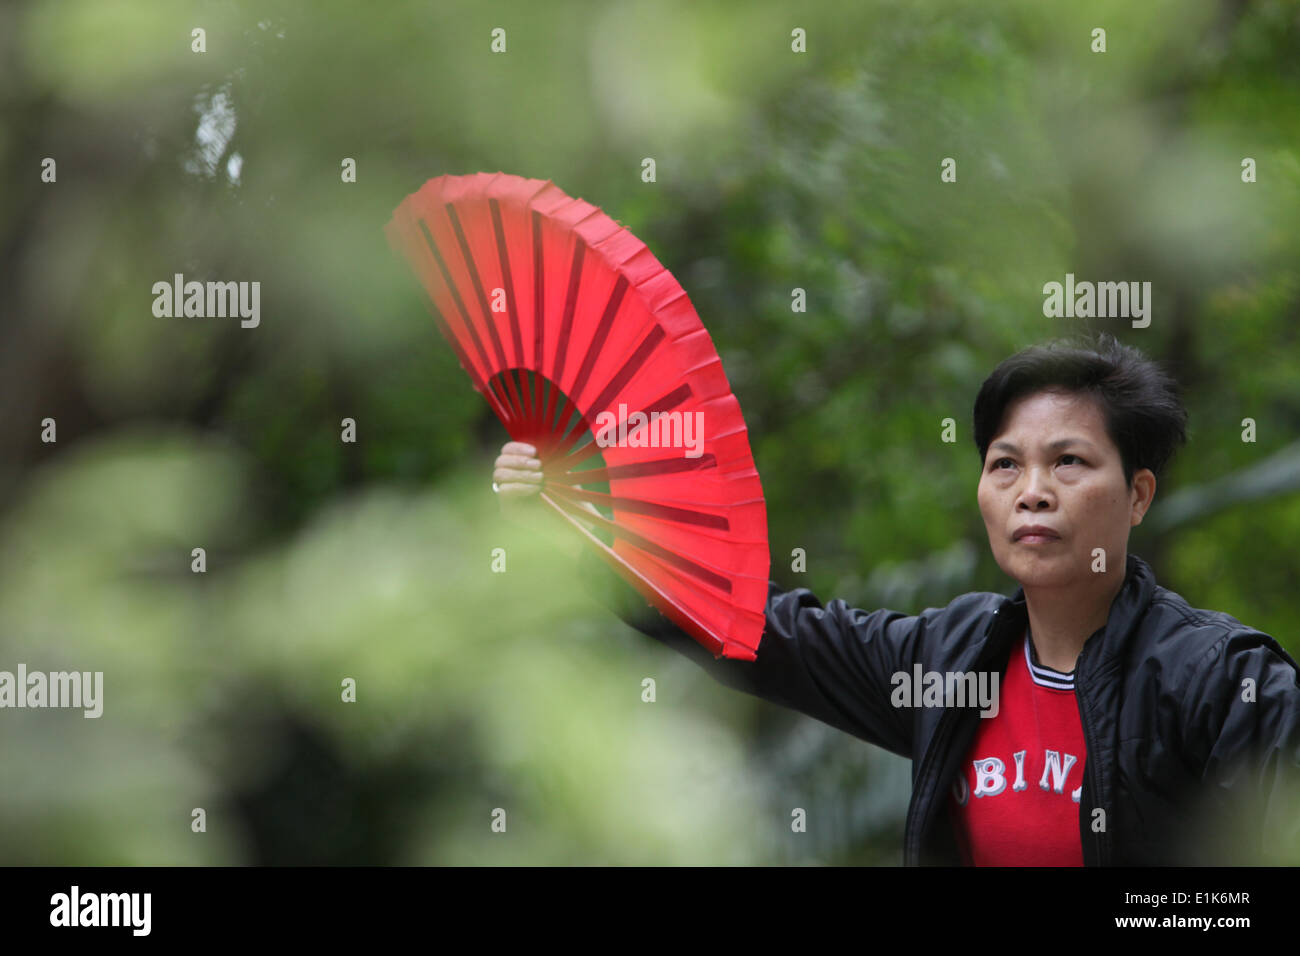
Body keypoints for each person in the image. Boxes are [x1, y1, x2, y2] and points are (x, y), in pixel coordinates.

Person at [492, 333, 1300, 866]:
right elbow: (756, 632)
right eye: (1005, 465)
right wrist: (575, 526)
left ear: (1138, 495)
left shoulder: (1222, 682)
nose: (1033, 493)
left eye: (1071, 463)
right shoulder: (952, 660)